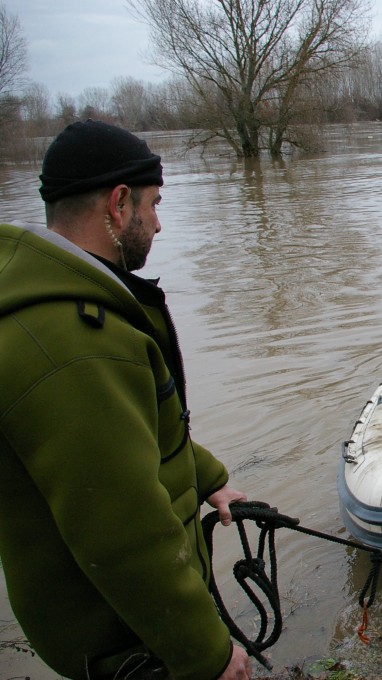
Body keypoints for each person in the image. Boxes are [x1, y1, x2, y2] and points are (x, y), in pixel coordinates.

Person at [0, 120, 250, 680]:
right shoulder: (75, 348)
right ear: (118, 204)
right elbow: (126, 537)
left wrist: (206, 476)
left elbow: (132, 431)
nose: (158, 224)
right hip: (128, 645)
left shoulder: (61, 304)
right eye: (153, 205)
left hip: (120, 630)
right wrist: (209, 656)